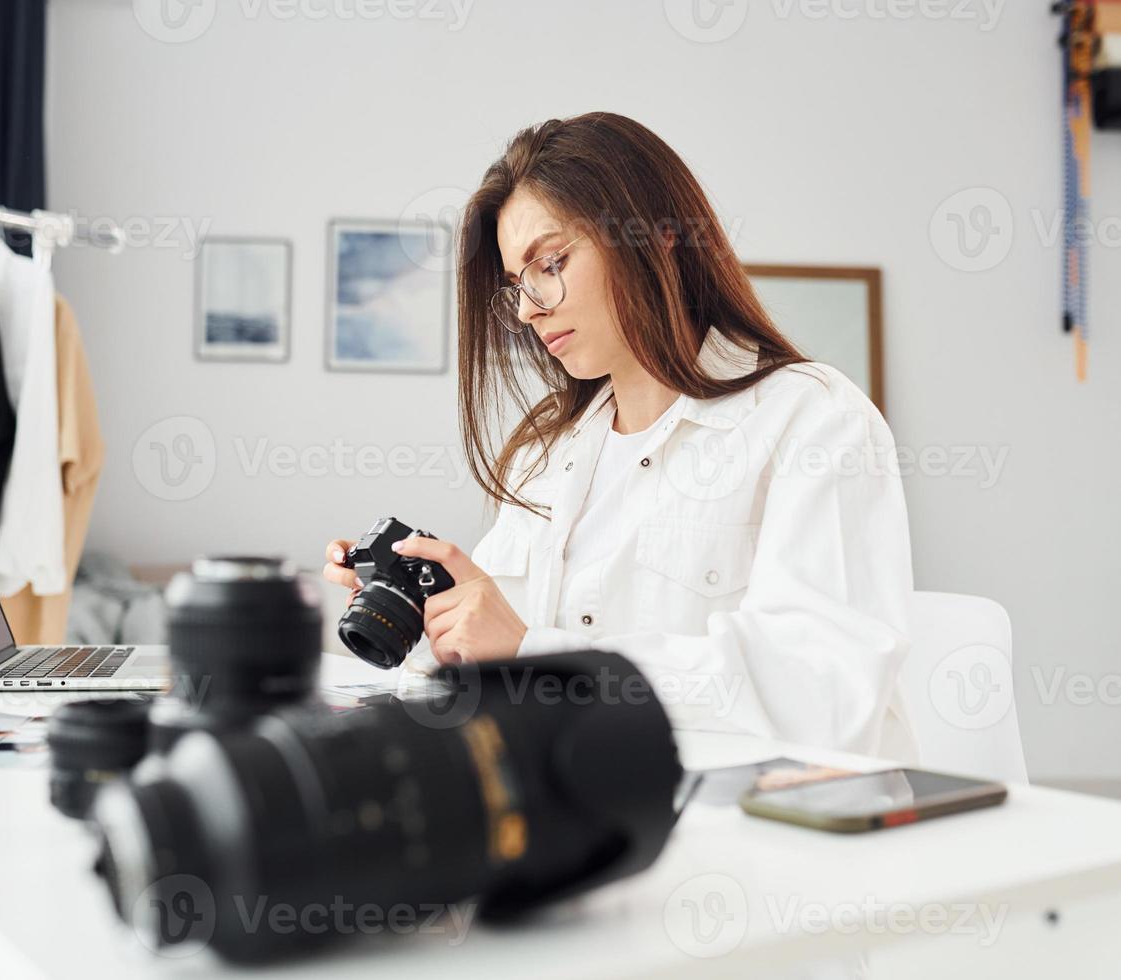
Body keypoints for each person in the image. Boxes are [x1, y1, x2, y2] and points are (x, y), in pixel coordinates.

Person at [325, 112, 914, 758]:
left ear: (658, 235)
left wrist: (536, 654)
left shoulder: (815, 420)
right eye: (516, 286)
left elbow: (818, 699)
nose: (526, 310)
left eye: (549, 263)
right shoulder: (544, 460)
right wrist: (422, 610)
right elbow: (487, 677)